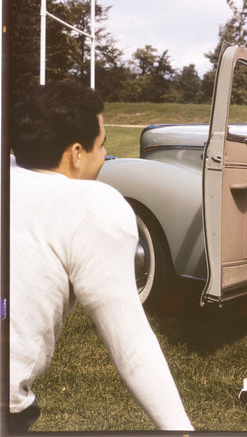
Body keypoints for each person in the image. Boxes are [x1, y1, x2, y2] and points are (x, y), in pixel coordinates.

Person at [9, 81, 194, 433]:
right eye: (102, 144)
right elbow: (133, 346)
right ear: (76, 153)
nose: (105, 153)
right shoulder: (91, 205)